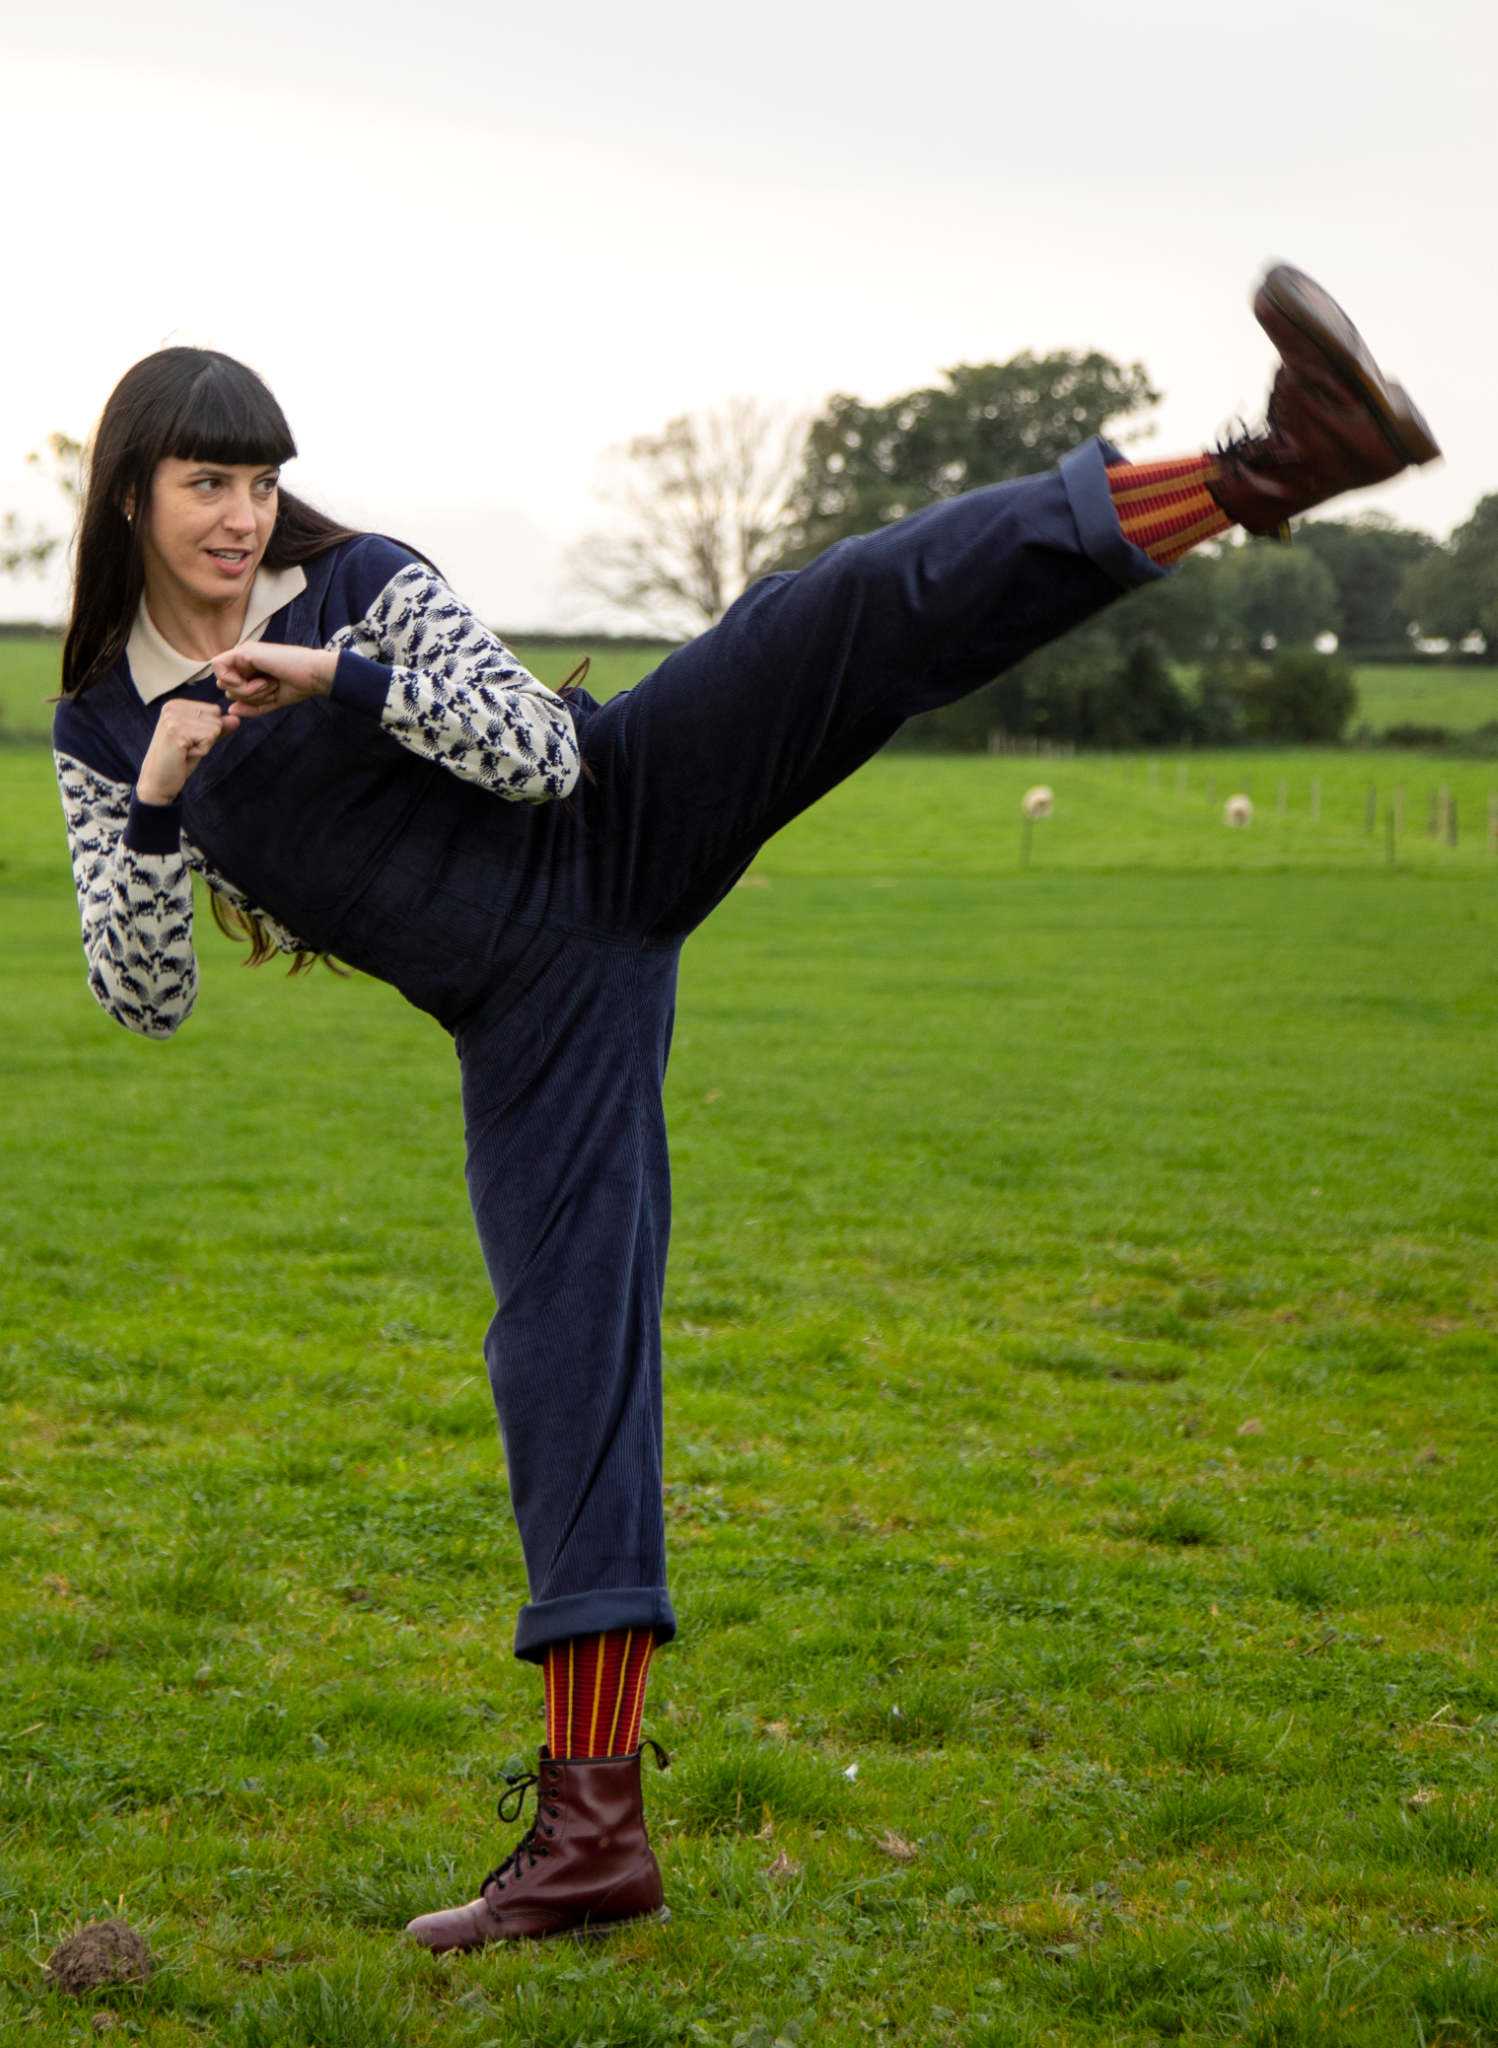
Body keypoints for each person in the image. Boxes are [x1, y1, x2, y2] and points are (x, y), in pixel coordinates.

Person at [52, 264, 1436, 1950]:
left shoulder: (355, 583)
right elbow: (141, 997)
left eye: (258, 480)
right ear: (130, 491)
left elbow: (543, 757)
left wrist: (337, 675)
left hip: (626, 811)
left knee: (840, 608)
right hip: (531, 1015)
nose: (238, 515)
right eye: (207, 483)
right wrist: (151, 804)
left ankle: (1272, 464)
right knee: (563, 1362)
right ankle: (590, 1840)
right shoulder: (101, 720)